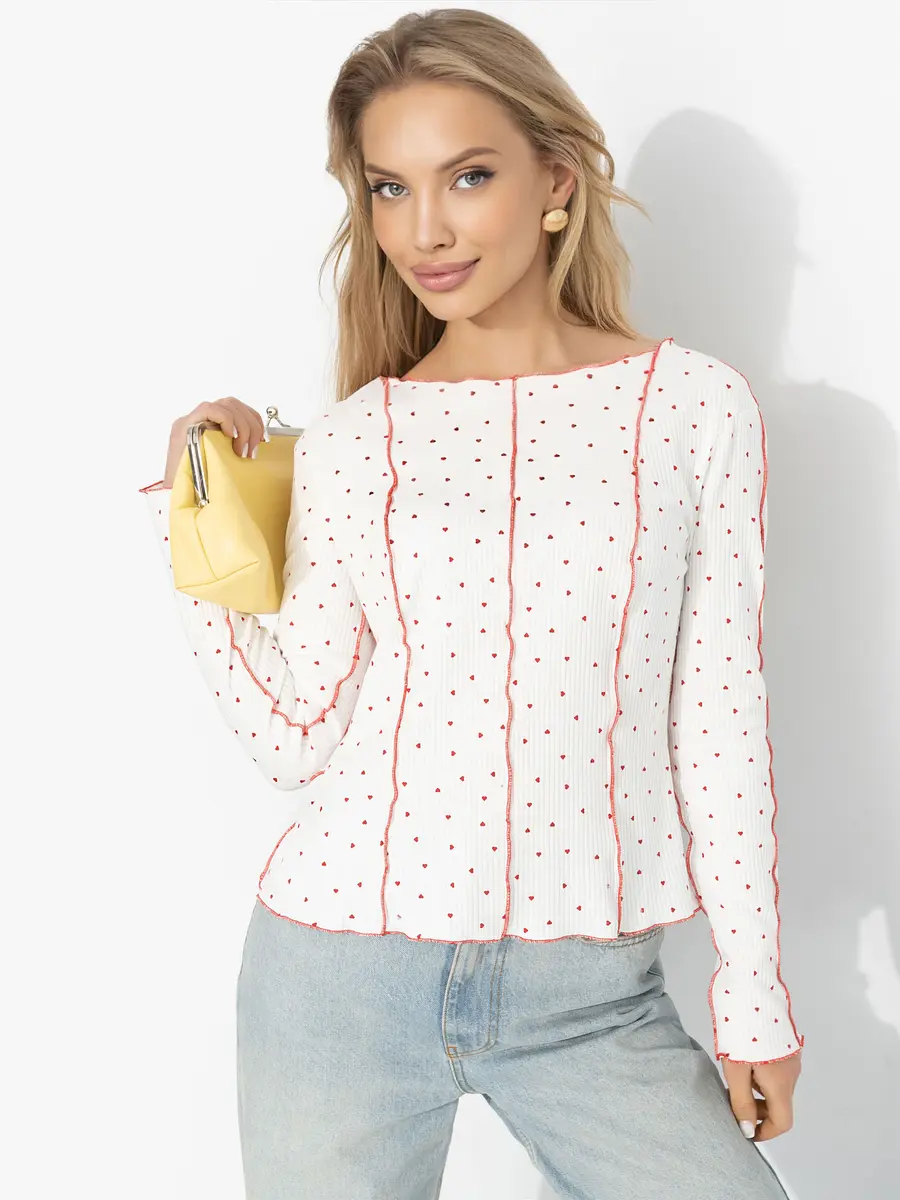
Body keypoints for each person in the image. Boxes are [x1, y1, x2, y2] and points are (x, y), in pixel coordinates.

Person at [138, 8, 803, 1198]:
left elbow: (717, 720)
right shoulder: (355, 443)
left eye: (469, 177)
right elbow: (298, 740)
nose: (425, 230)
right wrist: (197, 517)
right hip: (337, 981)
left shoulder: (691, 410)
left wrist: (752, 995)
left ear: (557, 182)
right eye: (390, 190)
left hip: (591, 999)